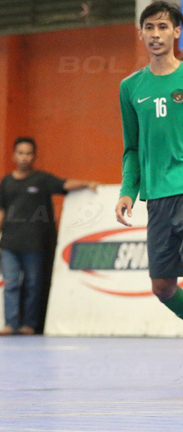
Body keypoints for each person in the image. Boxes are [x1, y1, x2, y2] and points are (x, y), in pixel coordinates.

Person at [116, 2, 183, 325]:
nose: (156, 34)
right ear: (140, 34)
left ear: (177, 32)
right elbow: (131, 147)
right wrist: (128, 190)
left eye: (163, 27)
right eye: (150, 28)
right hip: (157, 199)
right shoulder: (129, 88)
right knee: (163, 286)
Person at [0, 137, 98, 336]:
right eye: (21, 153)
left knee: (33, 284)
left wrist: (86, 183)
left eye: (28, 153)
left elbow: (65, 184)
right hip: (9, 244)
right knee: (11, 284)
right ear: (14, 155)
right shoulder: (6, 182)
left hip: (35, 245)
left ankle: (29, 325)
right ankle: (10, 324)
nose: (24, 157)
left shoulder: (42, 179)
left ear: (34, 156)